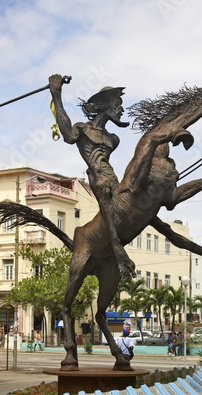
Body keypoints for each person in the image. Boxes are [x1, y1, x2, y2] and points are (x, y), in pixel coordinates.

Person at [49, 74, 135, 279]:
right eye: (117, 104)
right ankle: (116, 245)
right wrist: (57, 95)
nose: (121, 109)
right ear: (105, 105)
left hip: (114, 179)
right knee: (103, 184)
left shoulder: (113, 139)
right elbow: (67, 135)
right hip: (98, 180)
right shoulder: (82, 129)